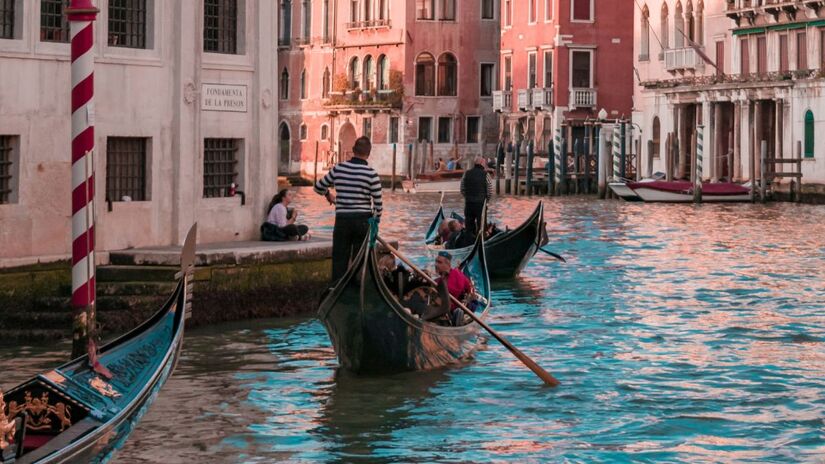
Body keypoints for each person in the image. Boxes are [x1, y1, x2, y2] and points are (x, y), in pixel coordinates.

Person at [314, 136, 383, 282]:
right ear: (369, 154)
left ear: (353, 151)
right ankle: (355, 290)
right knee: (359, 260)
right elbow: (378, 206)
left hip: (343, 220)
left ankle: (337, 289)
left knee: (339, 258)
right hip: (362, 221)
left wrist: (328, 195)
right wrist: (376, 223)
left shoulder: (338, 169)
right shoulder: (372, 174)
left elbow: (318, 186)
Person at [434, 251, 473, 326]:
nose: (436, 265)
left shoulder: (456, 275)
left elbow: (453, 294)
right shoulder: (438, 280)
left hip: (451, 311)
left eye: (439, 262)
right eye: (436, 262)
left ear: (447, 264)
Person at [460, 156, 493, 239]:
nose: (485, 165)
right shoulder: (486, 174)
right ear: (482, 163)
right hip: (481, 204)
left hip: (469, 204)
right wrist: (486, 201)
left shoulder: (466, 173)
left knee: (469, 226)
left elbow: (462, 189)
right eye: (484, 163)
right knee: (481, 226)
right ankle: (481, 239)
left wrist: (467, 197)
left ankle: (469, 241)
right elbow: (490, 191)